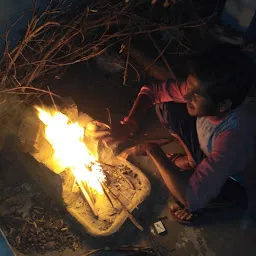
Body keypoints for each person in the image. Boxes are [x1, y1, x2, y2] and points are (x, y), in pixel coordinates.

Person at [91, 43, 256, 224]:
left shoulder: (233, 138)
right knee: (168, 106)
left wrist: (151, 150)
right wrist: (130, 123)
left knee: (188, 198)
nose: (187, 95)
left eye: (196, 94)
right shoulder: (210, 96)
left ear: (223, 105)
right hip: (214, 152)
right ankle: (194, 160)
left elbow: (192, 197)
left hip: (237, 179)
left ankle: (215, 208)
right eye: (189, 87)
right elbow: (153, 91)